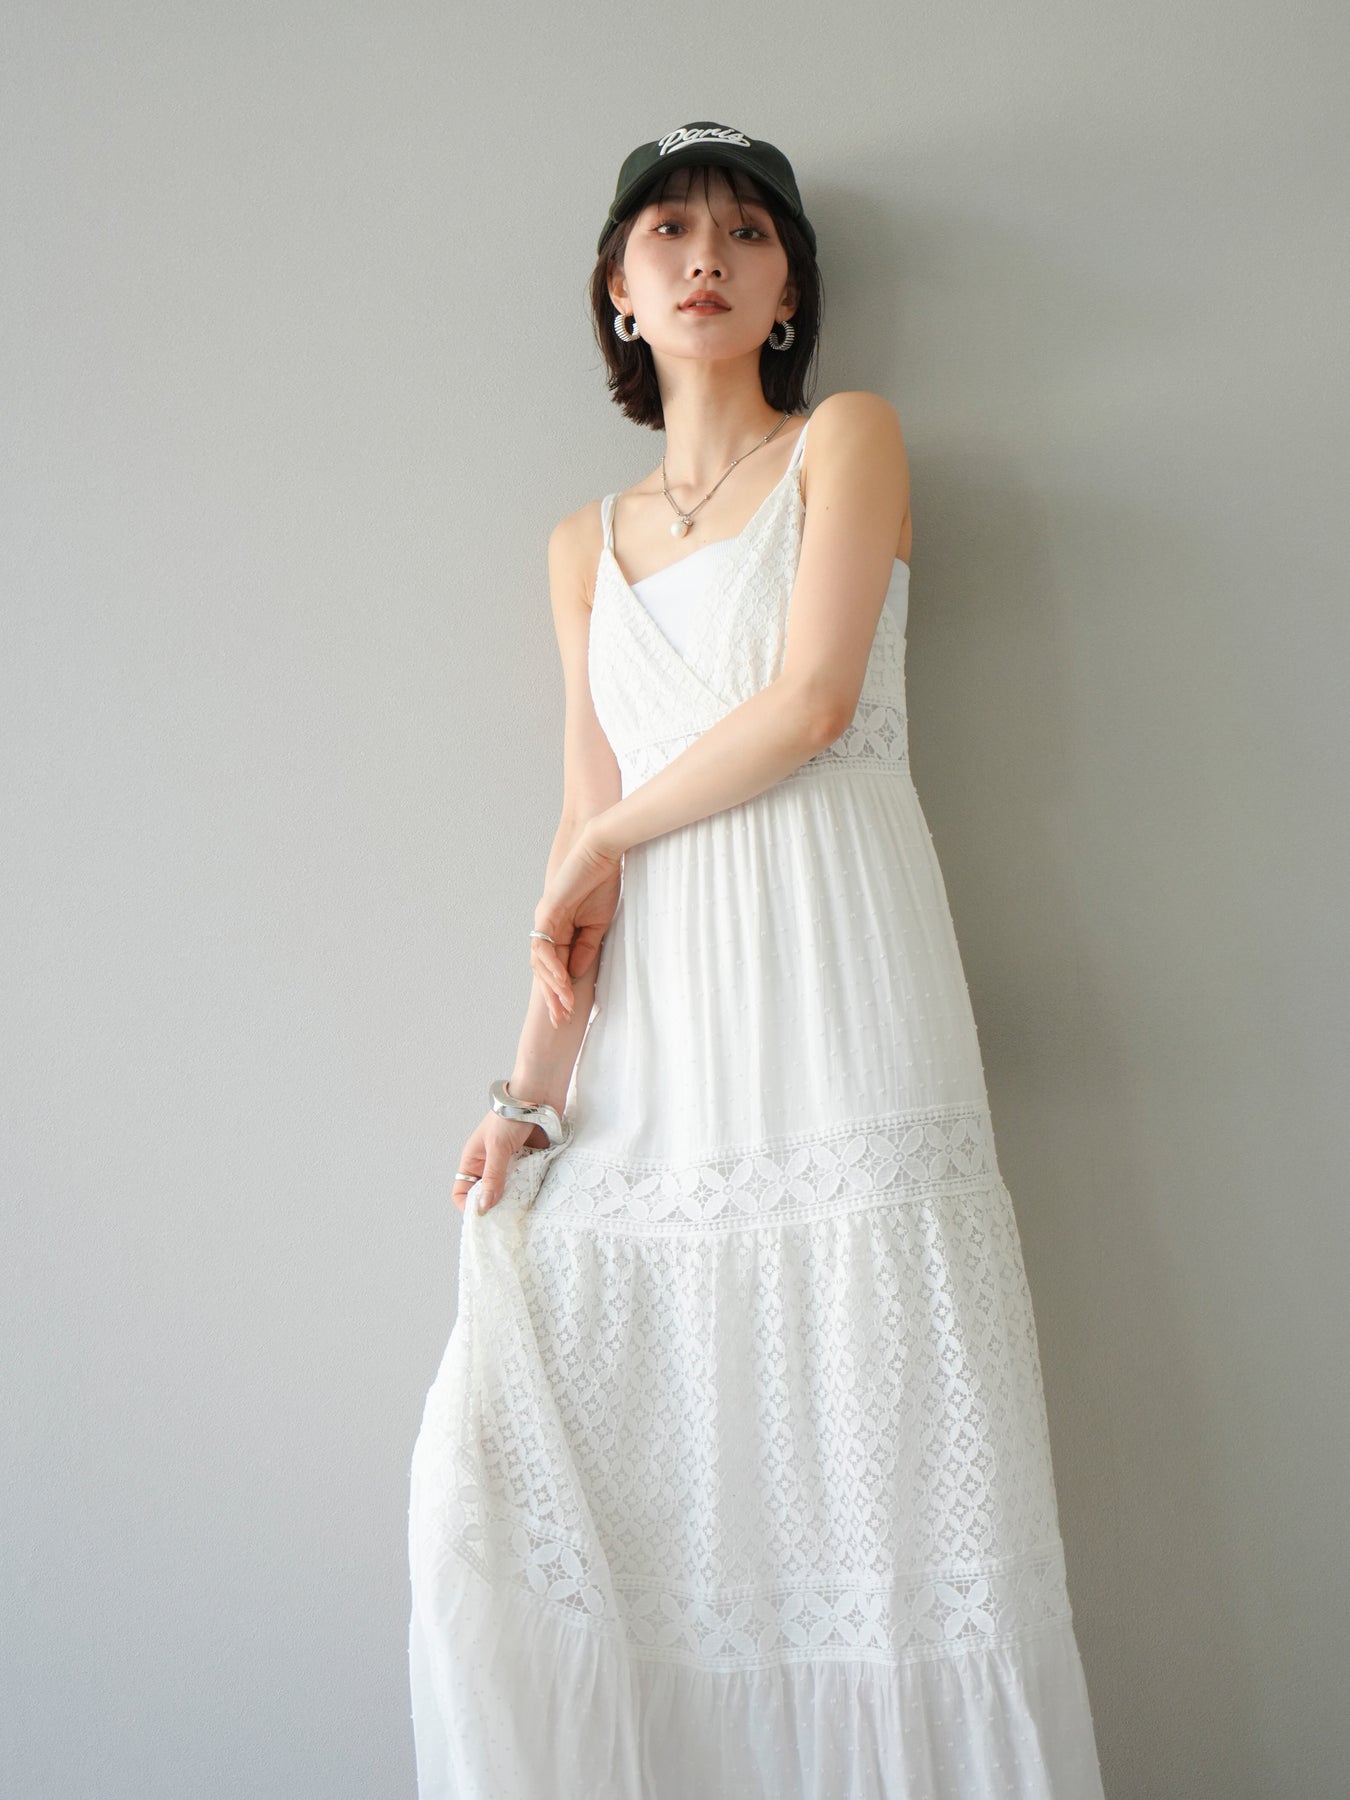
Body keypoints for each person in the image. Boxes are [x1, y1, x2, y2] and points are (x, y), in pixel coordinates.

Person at [408, 119, 1106, 1799]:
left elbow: (805, 704)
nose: (704, 257)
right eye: (666, 232)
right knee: (555, 1447)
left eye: (743, 233)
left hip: (838, 976)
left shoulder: (845, 441)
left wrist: (602, 837)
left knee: (874, 1440)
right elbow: (581, 834)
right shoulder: (579, 544)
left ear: (789, 289)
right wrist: (525, 1093)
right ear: (618, 289)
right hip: (664, 1020)